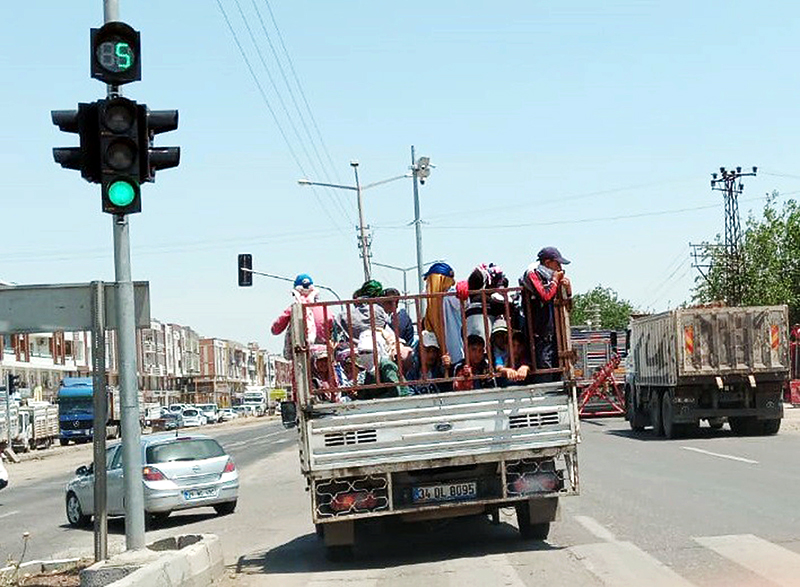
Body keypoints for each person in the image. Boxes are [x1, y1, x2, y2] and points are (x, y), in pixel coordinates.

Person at [520, 247, 572, 381]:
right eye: (557, 264)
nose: (560, 268)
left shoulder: (548, 277)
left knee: (556, 375)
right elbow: (545, 295)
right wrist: (555, 281)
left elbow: (569, 308)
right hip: (540, 337)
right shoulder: (532, 273)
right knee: (545, 375)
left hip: (553, 336)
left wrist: (568, 290)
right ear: (548, 263)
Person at [271, 274, 330, 357]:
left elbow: (275, 329)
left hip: (302, 356)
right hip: (323, 358)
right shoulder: (326, 311)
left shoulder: (294, 309)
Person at [423, 262, 464, 365]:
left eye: (430, 280)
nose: (428, 284)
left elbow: (462, 302)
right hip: (440, 356)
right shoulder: (433, 301)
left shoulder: (450, 296)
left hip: (455, 356)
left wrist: (464, 288)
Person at [354, 331, 409, 400]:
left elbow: (395, 391)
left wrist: (375, 400)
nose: (365, 355)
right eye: (361, 352)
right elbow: (367, 391)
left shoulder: (386, 366)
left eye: (368, 352)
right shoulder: (369, 369)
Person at [408, 330, 452, 394]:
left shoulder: (440, 371)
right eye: (427, 351)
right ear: (420, 351)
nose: (431, 355)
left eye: (434, 351)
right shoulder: (413, 374)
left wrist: (447, 367)